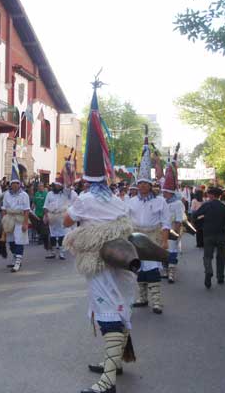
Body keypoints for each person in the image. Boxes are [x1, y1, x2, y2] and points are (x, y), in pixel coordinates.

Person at [64, 87, 137, 393]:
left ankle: (107, 381)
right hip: (120, 262)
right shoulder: (118, 201)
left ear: (87, 177)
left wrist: (74, 200)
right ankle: (116, 363)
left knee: (108, 313)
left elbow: (68, 221)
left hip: (100, 264)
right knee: (119, 307)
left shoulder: (85, 199)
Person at [128, 128, 170, 315]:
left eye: (145, 183)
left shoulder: (160, 201)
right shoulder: (131, 201)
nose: (142, 186)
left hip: (153, 236)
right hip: (136, 237)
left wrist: (165, 239)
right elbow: (125, 221)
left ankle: (157, 302)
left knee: (152, 268)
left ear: (150, 185)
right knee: (139, 268)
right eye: (139, 183)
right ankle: (142, 298)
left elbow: (166, 222)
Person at [193, 187, 225, 288]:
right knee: (221, 256)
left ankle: (208, 271)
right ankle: (220, 277)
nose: (208, 196)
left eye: (209, 194)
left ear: (212, 195)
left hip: (208, 234)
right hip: (222, 235)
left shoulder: (207, 205)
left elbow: (195, 215)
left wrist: (200, 224)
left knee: (207, 256)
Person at [161, 144, 185, 284]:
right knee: (163, 250)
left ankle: (171, 272)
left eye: (166, 192)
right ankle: (164, 269)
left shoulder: (176, 203)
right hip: (162, 230)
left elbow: (178, 219)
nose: (163, 193)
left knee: (172, 251)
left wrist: (174, 233)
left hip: (172, 231)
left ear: (170, 193)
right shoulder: (162, 201)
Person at [1, 177, 30, 273]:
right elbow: (4, 209)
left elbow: (26, 210)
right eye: (13, 183)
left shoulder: (24, 195)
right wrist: (4, 221)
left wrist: (25, 223)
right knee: (11, 241)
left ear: (19, 184)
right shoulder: (6, 195)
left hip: (20, 218)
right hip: (9, 218)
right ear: (11, 185)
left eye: (17, 183)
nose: (15, 185)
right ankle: (15, 257)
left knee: (19, 240)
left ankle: (17, 262)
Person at [43, 178, 77, 260]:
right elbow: (45, 206)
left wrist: (68, 182)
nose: (57, 186)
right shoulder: (49, 194)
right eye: (56, 185)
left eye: (59, 185)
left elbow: (69, 191)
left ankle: (62, 253)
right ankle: (53, 252)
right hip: (52, 216)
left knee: (62, 235)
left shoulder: (65, 194)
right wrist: (46, 216)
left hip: (62, 215)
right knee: (52, 235)